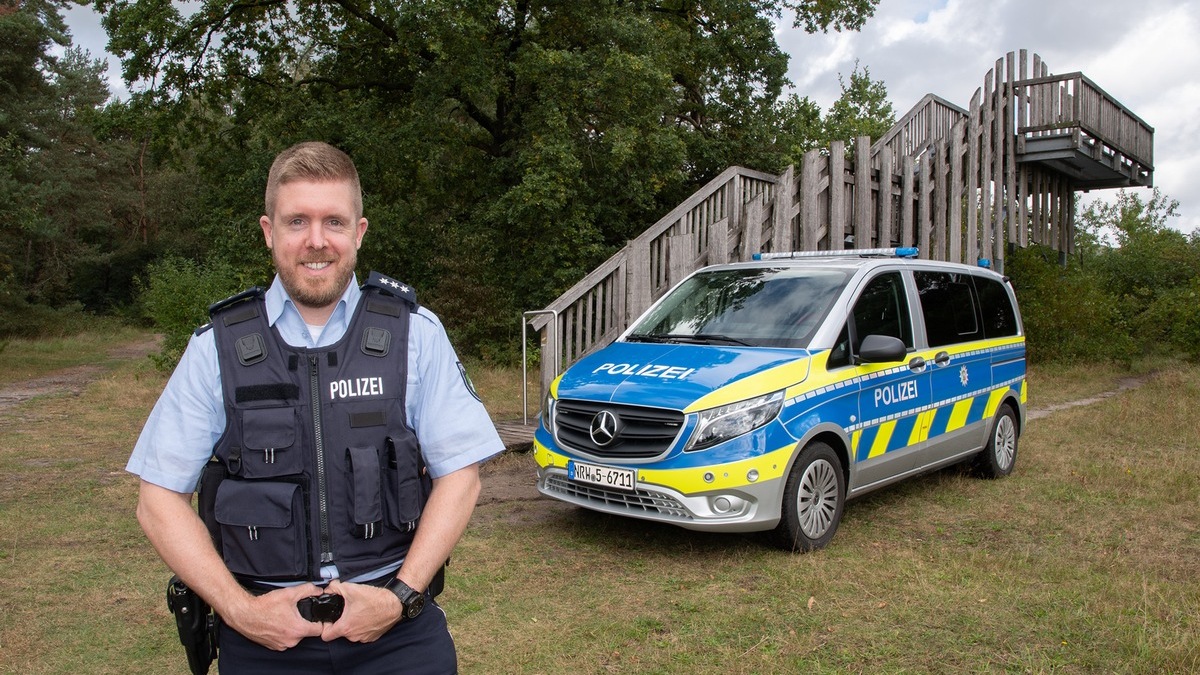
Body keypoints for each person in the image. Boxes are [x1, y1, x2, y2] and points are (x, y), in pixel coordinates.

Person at [127, 141, 504, 673]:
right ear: (269, 231)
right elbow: (158, 499)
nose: (316, 241)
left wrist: (400, 596)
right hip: (263, 638)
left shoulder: (415, 334)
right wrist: (240, 611)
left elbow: (460, 476)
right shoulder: (217, 347)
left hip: (397, 632)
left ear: (359, 231)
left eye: (334, 221)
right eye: (297, 221)